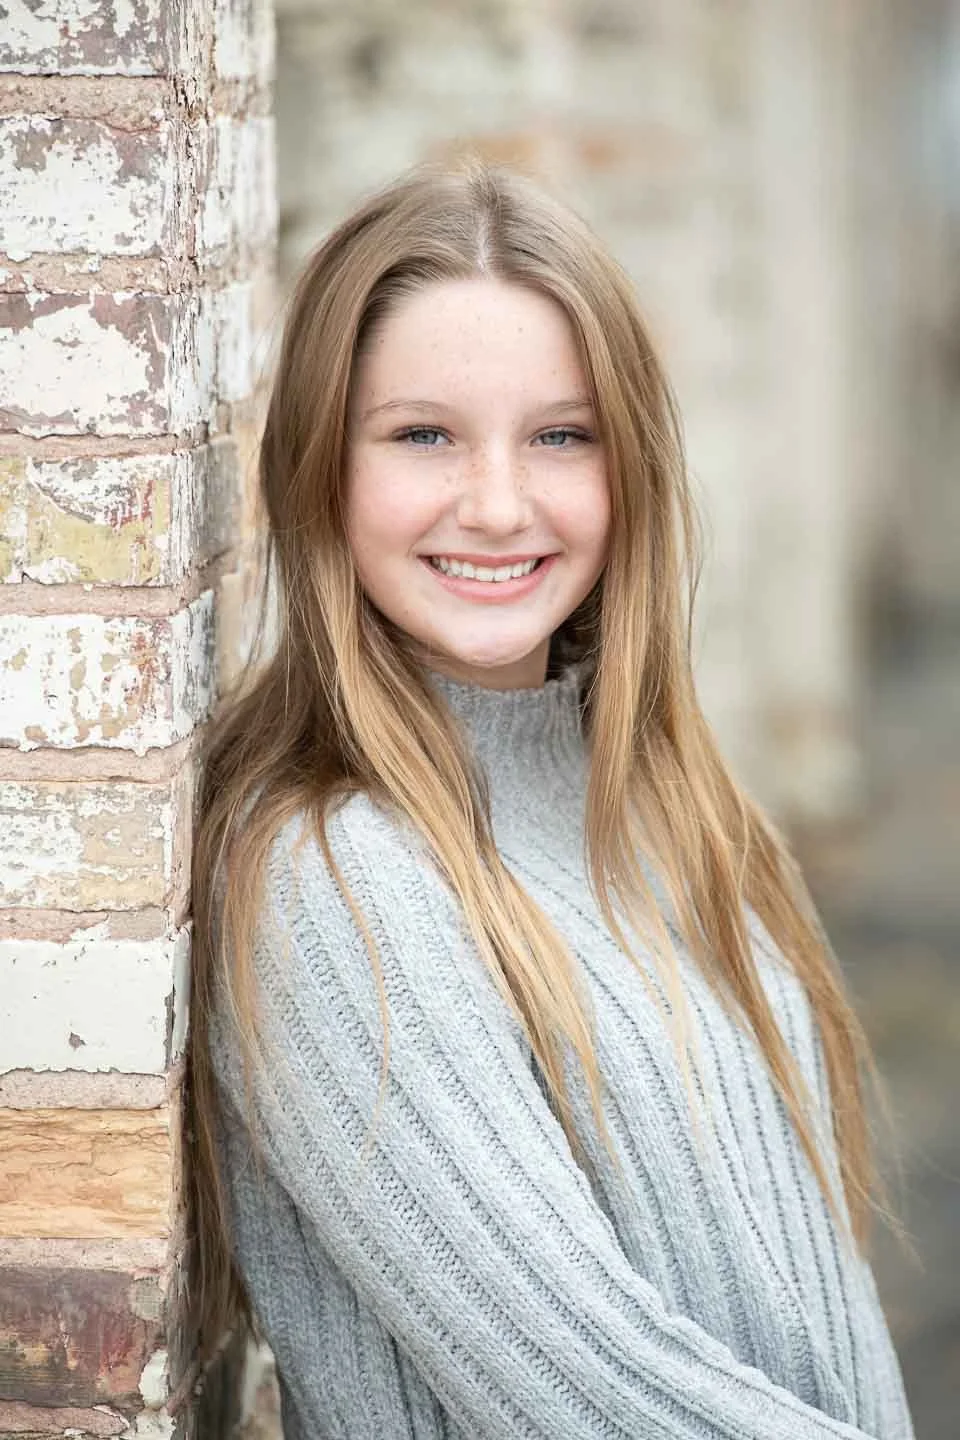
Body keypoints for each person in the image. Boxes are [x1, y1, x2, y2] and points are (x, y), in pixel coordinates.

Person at [187, 162, 914, 1439]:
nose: (500, 504)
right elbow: (593, 1400)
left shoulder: (653, 809)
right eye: (423, 434)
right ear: (320, 471)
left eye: (560, 436)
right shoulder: (334, 884)